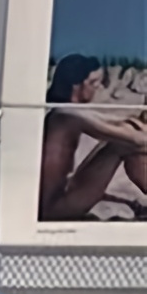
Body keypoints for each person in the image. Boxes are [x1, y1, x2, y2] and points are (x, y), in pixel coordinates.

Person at [39, 54, 147, 221]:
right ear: (76, 85)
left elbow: (110, 124)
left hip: (60, 197)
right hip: (53, 208)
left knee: (123, 142)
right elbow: (119, 133)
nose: (99, 88)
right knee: (125, 144)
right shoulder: (65, 115)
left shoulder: (63, 112)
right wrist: (136, 135)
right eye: (94, 83)